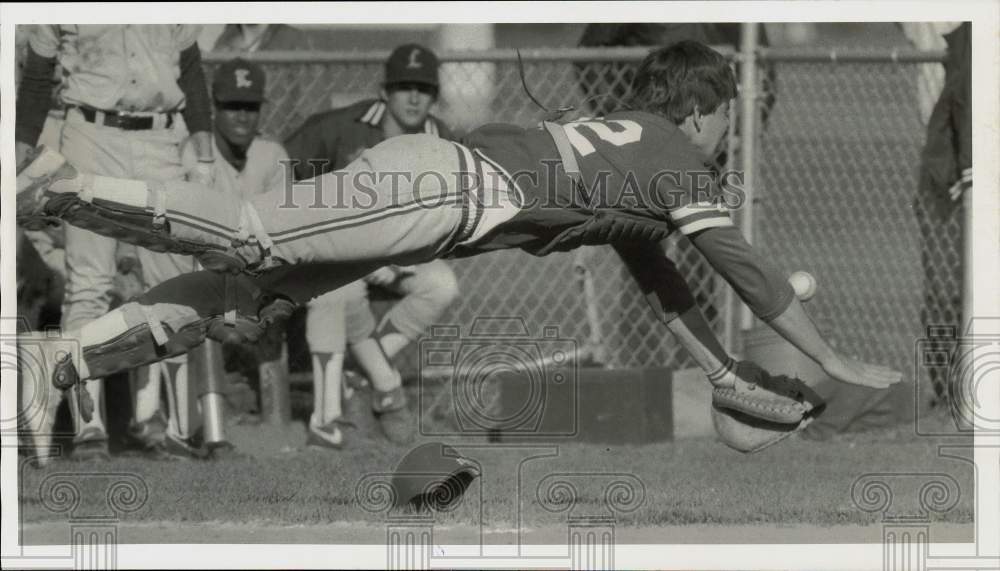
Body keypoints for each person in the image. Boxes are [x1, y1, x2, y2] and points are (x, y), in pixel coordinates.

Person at [16, 41, 902, 450]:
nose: (725, 142)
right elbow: (741, 266)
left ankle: (52, 360)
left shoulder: (642, 160)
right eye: (725, 122)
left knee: (245, 302)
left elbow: (665, 279)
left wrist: (722, 374)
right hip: (435, 185)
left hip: (433, 194)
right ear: (702, 110)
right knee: (249, 240)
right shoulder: (679, 160)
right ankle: (60, 186)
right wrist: (832, 358)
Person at [15, 24, 216, 462]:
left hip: (162, 137)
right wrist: (18, 150)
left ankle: (160, 423)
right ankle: (90, 429)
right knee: (89, 282)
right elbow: (36, 76)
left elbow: (192, 70)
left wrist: (203, 152)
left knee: (173, 283)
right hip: (91, 133)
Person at [284, 43, 458, 448]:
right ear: (384, 91)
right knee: (334, 293)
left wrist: (395, 256)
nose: (414, 97)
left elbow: (447, 217)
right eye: (403, 87)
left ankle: (364, 376)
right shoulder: (342, 126)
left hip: (399, 256)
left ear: (435, 96)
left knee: (443, 285)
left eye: (424, 88)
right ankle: (335, 416)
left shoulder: (441, 140)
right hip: (333, 253)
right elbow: (286, 171)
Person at [915, 22, 970, 407]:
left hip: (961, 171)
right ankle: (951, 393)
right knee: (945, 293)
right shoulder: (947, 26)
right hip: (946, 176)